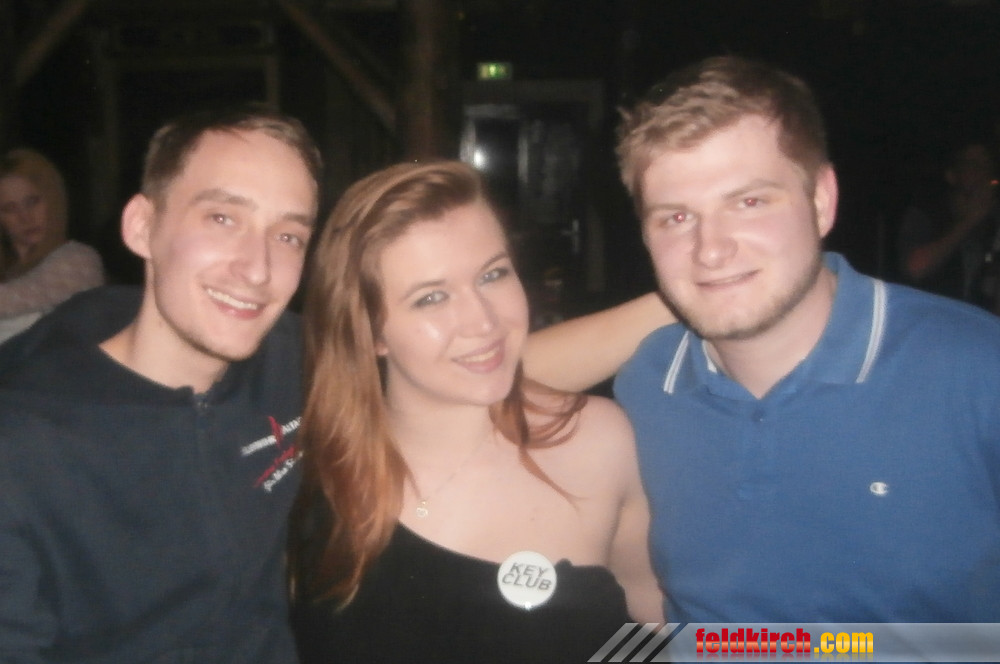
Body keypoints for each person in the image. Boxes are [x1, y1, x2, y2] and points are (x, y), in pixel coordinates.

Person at [592, 55, 1000, 622]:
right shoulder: (645, 385)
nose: (711, 249)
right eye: (676, 218)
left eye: (749, 202)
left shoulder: (976, 370)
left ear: (821, 200)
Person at [289, 160, 662, 663]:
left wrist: (778, 646)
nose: (483, 321)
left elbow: (670, 632)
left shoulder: (600, 443)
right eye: (431, 298)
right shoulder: (304, 468)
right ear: (370, 331)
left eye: (493, 274)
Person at [0, 105, 321, 662]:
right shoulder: (25, 447)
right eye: (222, 218)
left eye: (289, 235)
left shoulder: (295, 357)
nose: (258, 269)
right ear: (142, 227)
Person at [0, 148, 104, 342]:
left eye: (32, 202)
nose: (25, 217)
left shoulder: (78, 259)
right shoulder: (8, 268)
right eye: (10, 209)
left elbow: (21, 296)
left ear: (52, 199)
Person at [896, 139, 1000, 310]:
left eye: (986, 166)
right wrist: (969, 221)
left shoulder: (994, 220)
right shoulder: (927, 213)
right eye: (972, 165)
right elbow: (915, 268)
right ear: (952, 175)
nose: (981, 173)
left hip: (980, 319)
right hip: (930, 316)